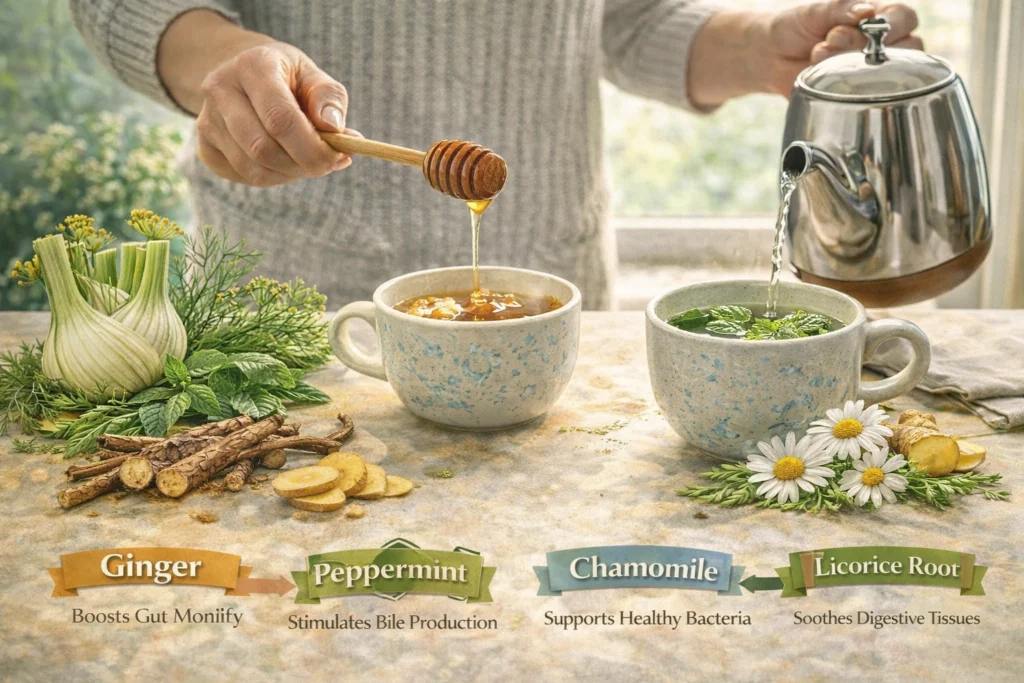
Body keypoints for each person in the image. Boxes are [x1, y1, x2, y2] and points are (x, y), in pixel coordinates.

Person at [71, 0, 921, 310]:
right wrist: (219, 63)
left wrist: (760, 43)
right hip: (295, 306)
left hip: (549, 281)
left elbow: (622, 20)